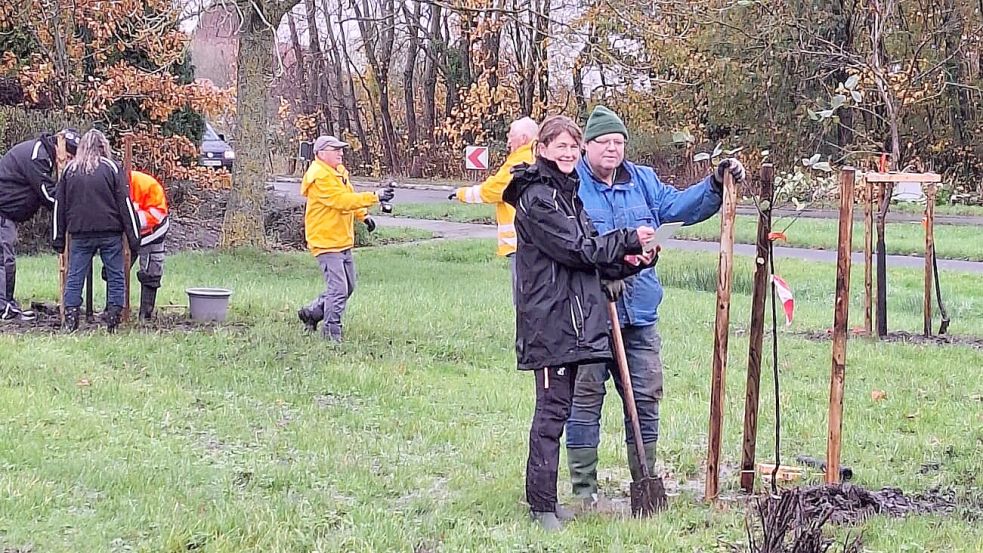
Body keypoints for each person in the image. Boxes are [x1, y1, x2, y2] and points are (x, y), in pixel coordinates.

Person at [564, 105, 746, 510]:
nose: (612, 149)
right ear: (586, 147)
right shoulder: (571, 183)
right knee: (585, 397)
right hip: (589, 315)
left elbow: (680, 207)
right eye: (603, 142)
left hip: (639, 312)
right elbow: (570, 241)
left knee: (645, 396)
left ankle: (644, 479)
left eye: (618, 142)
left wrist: (714, 183)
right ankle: (583, 491)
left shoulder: (642, 181)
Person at [502, 115, 656, 531]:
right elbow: (575, 249)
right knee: (551, 414)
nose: (568, 153)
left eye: (573, 146)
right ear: (542, 150)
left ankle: (548, 502)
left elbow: (590, 264)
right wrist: (627, 239)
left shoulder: (567, 193)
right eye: (560, 147)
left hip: (572, 319)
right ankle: (541, 506)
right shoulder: (538, 197)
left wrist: (632, 262)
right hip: (550, 322)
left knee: (560, 409)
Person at [296, 135, 394, 342]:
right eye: (336, 149)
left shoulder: (337, 172)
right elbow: (340, 201)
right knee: (338, 289)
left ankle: (312, 313)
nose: (341, 153)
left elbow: (349, 196)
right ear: (321, 153)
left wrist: (363, 215)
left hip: (341, 240)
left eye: (341, 149)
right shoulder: (319, 177)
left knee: (348, 287)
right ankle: (332, 334)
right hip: (325, 241)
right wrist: (375, 196)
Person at [53, 129, 140, 332]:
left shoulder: (70, 170)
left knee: (74, 275)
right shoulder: (110, 168)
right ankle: (113, 318)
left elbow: (60, 206)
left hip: (80, 233)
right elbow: (125, 203)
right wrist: (134, 236)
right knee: (116, 275)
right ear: (103, 147)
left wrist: (58, 239)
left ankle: (71, 318)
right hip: (110, 232)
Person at [450, 117, 537, 298]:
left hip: (520, 242)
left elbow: (494, 190)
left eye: (511, 136)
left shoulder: (520, 161)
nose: (508, 141)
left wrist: (461, 194)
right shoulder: (535, 157)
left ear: (523, 138)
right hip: (531, 241)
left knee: (524, 300)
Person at [0, 129, 79, 321]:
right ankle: (3, 307)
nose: (68, 161)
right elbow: (46, 193)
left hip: (7, 213)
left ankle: (7, 303)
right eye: (68, 156)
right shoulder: (37, 156)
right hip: (2, 212)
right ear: (59, 147)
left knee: (6, 259)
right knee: (3, 259)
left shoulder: (41, 153)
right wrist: (68, 209)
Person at [129, 170, 169, 320]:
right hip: (126, 233)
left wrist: (131, 221)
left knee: (151, 271)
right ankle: (113, 309)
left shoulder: (147, 185)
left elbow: (157, 213)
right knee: (114, 270)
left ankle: (146, 313)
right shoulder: (108, 185)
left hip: (154, 232)